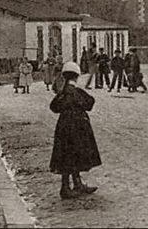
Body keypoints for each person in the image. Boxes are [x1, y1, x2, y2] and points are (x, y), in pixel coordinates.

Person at [50, 62, 101, 199]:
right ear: (77, 77)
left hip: (64, 126)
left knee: (68, 155)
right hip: (77, 127)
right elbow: (89, 103)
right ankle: (66, 188)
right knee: (73, 155)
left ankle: (75, 184)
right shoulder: (75, 92)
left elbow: (54, 107)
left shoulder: (63, 93)